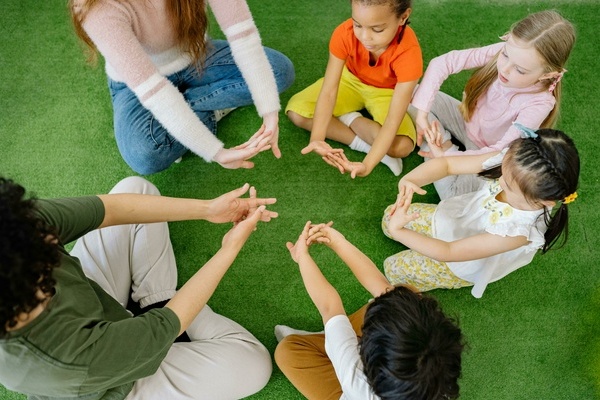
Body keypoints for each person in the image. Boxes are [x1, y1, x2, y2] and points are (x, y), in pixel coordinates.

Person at [0, 175, 278, 399]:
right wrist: (229, 248)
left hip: (98, 309)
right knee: (254, 365)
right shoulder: (67, 361)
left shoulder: (17, 229)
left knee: (136, 188)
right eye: (46, 256)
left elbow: (111, 208)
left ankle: (155, 298)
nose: (52, 237)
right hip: (115, 385)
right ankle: (161, 302)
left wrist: (208, 209)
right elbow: (165, 324)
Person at [69, 0, 295, 175]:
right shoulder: (93, 6)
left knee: (279, 72)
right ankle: (208, 110)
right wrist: (215, 152)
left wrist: (269, 111)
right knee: (144, 155)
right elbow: (154, 91)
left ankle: (185, 119)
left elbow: (243, 36)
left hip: (196, 56)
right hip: (139, 84)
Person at [382, 125, 579, 298]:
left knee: (394, 268)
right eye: (503, 171)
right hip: (455, 218)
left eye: (509, 186)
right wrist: (410, 180)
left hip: (458, 262)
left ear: (545, 201)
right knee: (388, 218)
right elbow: (448, 164)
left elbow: (448, 251)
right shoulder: (515, 161)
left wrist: (400, 231)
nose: (500, 180)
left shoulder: (519, 231)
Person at [275, 221, 464, 399]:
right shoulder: (435, 378)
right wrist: (338, 242)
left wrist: (302, 257)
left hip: (347, 388)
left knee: (287, 352)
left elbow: (329, 306)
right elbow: (383, 289)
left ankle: (331, 337)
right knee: (403, 296)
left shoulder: (354, 376)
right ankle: (334, 335)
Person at [410, 10, 575, 199]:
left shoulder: (540, 103)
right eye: (505, 55)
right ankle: (440, 142)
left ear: (548, 74)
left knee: (451, 195)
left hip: (487, 153)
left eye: (520, 70)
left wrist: (447, 159)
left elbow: (500, 152)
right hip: (465, 119)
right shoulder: (510, 52)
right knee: (413, 94)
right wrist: (422, 115)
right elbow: (443, 63)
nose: (504, 68)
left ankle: (443, 146)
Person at [286, 0, 422, 178]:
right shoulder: (344, 32)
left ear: (403, 17)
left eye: (377, 29)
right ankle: (363, 144)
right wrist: (317, 139)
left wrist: (367, 165)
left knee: (402, 146)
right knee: (297, 112)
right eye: (357, 24)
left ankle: (348, 118)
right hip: (349, 80)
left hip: (387, 92)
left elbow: (392, 121)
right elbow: (329, 90)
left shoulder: (409, 54)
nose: (365, 37)